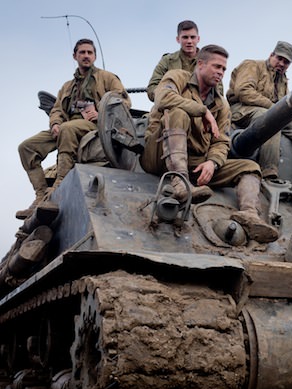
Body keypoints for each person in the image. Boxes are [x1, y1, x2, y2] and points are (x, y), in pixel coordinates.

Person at [140, 44, 278, 244]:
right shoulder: (178, 77)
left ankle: (249, 215)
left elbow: (221, 141)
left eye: (223, 68)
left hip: (196, 163)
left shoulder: (221, 105)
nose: (221, 72)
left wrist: (212, 163)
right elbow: (163, 98)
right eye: (216, 66)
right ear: (201, 64)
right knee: (178, 112)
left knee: (249, 167)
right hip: (159, 155)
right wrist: (202, 110)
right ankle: (179, 182)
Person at [16, 38, 130, 220]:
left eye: (89, 53)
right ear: (75, 56)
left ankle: (59, 185)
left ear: (95, 56)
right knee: (26, 147)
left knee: (68, 129)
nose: (86, 56)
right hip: (67, 126)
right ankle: (40, 194)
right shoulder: (67, 86)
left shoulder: (107, 78)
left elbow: (124, 102)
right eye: (82, 52)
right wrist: (54, 123)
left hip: (94, 125)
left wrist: (99, 110)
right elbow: (57, 110)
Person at [226, 41, 292, 193]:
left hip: (268, 114)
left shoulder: (283, 81)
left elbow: (284, 105)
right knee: (272, 117)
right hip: (240, 110)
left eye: (286, 62)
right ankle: (268, 171)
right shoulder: (252, 65)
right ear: (271, 55)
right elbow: (243, 91)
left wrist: (284, 111)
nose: (281, 63)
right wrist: (275, 109)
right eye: (279, 58)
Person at [147, 20, 201, 102]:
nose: (189, 41)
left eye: (192, 37)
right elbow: (152, 88)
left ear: (198, 39)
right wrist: (167, 94)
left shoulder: (208, 63)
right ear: (178, 39)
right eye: (185, 37)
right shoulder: (167, 61)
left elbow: (218, 92)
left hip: (202, 108)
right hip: (172, 107)